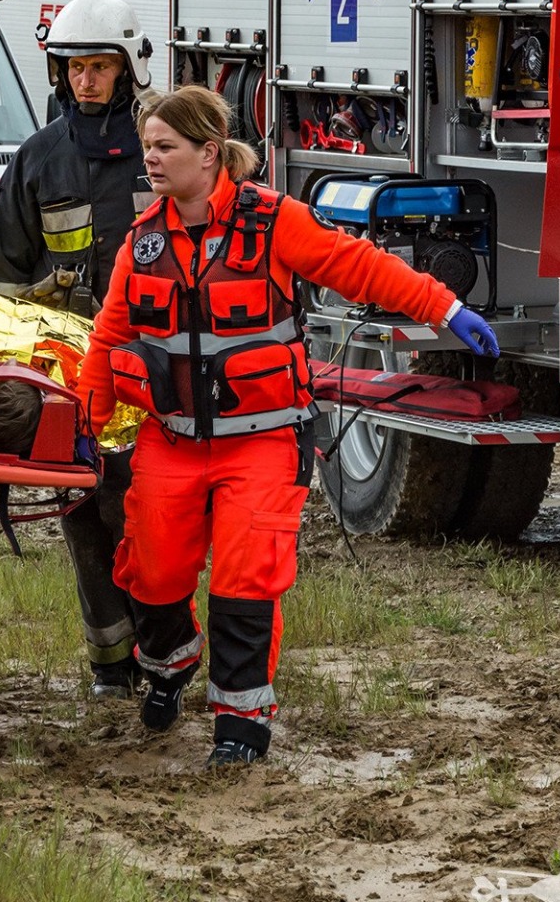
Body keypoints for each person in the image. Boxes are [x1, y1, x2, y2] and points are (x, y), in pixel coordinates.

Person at [79, 85, 498, 770]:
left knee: (245, 578)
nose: (149, 160)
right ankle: (168, 665)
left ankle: (241, 722)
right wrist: (82, 429)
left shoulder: (273, 221)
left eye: (164, 147)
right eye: (148, 147)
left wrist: (445, 309)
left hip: (263, 440)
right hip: (173, 440)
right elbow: (109, 337)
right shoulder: (143, 242)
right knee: (152, 575)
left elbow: (359, 267)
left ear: (208, 152)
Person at [0, 0, 156, 699]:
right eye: (74, 68)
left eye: (99, 67)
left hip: (154, 364)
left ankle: (164, 652)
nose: (85, 80)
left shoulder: (158, 149)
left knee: (148, 512)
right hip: (72, 367)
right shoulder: (38, 160)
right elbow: (2, 277)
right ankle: (112, 666)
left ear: (127, 69)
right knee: (86, 509)